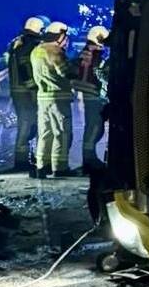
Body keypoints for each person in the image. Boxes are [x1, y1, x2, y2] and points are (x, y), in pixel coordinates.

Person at [30, 21, 78, 178]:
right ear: (60, 35)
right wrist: (76, 66)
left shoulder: (36, 50)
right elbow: (66, 72)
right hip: (59, 98)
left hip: (42, 98)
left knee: (45, 133)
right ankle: (60, 167)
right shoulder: (55, 51)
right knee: (62, 133)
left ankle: (42, 166)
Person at [6, 17, 45, 171]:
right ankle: (22, 160)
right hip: (27, 92)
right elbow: (25, 68)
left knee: (29, 124)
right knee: (27, 125)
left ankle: (27, 155)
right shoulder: (30, 45)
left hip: (17, 90)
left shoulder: (17, 43)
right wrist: (33, 89)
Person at [74, 25, 109, 172]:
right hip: (93, 94)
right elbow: (98, 73)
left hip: (89, 93)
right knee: (94, 127)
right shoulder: (93, 53)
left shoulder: (86, 51)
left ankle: (89, 158)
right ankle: (89, 160)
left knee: (94, 127)